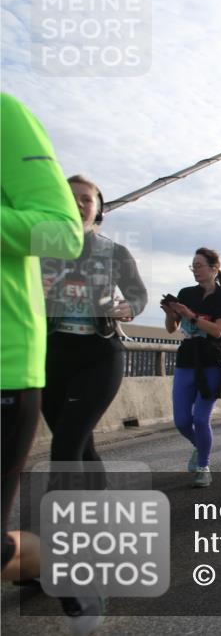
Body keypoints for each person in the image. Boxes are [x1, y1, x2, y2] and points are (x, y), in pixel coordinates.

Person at [1, 94, 93, 632]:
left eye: (87, 199)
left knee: (71, 442)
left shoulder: (6, 117)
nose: (81, 203)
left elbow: (60, 235)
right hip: (58, 349)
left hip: (31, 361)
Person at [41, 174, 148, 491]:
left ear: (98, 208)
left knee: (64, 447)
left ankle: (59, 531)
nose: (78, 202)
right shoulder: (41, 250)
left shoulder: (115, 252)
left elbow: (138, 295)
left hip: (100, 356)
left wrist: (128, 308)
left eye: (86, 198)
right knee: (79, 444)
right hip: (52, 355)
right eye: (70, 196)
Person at [162, 247, 221, 488]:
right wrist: (170, 313)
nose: (195, 269)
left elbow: (217, 330)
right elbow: (172, 329)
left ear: (214, 268)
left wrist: (190, 315)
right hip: (186, 358)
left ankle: (203, 465)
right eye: (192, 265)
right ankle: (199, 446)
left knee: (201, 419)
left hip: (211, 361)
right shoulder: (186, 293)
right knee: (182, 421)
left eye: (199, 265)